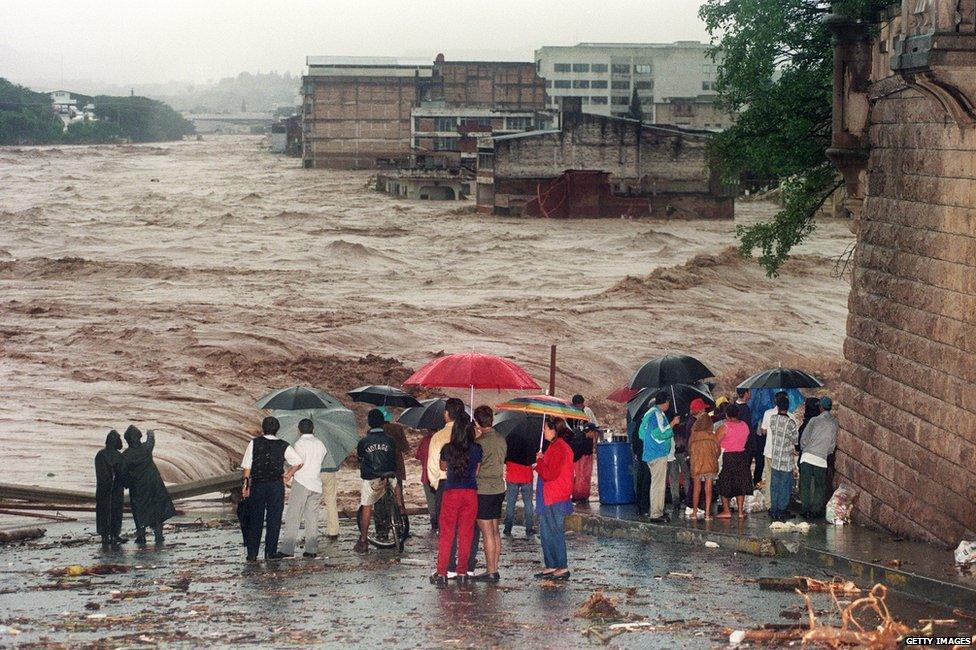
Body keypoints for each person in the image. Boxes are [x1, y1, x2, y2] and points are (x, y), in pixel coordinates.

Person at [431, 411, 482, 588]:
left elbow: (442, 467)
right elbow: (477, 471)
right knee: (466, 534)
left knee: (447, 534)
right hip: (470, 493)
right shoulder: (477, 449)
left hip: (451, 492)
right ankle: (462, 572)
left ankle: (442, 573)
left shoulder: (447, 449)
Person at [241, 417, 303, 561]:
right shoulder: (283, 445)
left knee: (255, 518)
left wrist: (245, 485)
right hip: (275, 485)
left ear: (263, 428)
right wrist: (288, 475)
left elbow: (247, 466)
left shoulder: (254, 443)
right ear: (277, 429)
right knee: (274, 519)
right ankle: (270, 552)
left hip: (257, 485)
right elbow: (298, 462)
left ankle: (252, 553)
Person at [121, 426, 177, 545]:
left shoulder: (125, 455)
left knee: (139, 511)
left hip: (137, 487)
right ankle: (158, 534)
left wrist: (126, 484)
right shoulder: (146, 448)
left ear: (128, 440)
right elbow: (151, 439)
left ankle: (141, 535)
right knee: (156, 508)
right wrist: (150, 432)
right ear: (139, 437)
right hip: (154, 483)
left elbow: (123, 473)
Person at [280, 419, 329, 558]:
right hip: (316, 484)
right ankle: (311, 549)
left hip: (302, 482)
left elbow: (298, 463)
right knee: (312, 518)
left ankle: (287, 549)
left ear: (299, 430)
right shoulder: (320, 444)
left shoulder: (299, 444)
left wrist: (289, 474)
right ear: (313, 430)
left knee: (293, 516)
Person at [534, 417, 574, 581]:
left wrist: (539, 462)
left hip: (555, 495)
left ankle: (561, 566)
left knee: (555, 531)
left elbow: (550, 473)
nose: (543, 431)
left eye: (546, 428)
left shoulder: (559, 448)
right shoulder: (555, 446)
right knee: (546, 531)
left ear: (554, 430)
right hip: (550, 494)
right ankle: (551, 564)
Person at [355, 409, 397, 555]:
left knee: (367, 507)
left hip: (371, 478)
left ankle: (363, 540)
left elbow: (360, 458)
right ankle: (400, 510)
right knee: (396, 488)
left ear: (369, 423)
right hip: (390, 476)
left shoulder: (363, 442)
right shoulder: (391, 440)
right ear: (382, 422)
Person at [471, 406, 505, 582]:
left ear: (477, 422)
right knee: (495, 530)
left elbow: (475, 470)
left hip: (483, 490)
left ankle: (490, 570)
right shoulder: (501, 439)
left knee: (487, 533)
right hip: (499, 488)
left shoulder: (479, 443)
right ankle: (495, 567)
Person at [639, 391, 679, 522]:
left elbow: (641, 434)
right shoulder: (657, 415)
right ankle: (656, 514)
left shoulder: (649, 413)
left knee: (656, 483)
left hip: (650, 453)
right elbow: (658, 433)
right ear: (666, 402)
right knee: (658, 484)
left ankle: (658, 511)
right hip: (658, 453)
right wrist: (672, 424)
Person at [798, 397, 838, 519]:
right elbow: (832, 445)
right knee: (820, 486)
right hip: (821, 459)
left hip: (807, 456)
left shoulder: (814, 420)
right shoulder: (835, 424)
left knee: (805, 484)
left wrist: (806, 449)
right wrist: (825, 452)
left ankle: (806, 510)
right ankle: (815, 511)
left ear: (820, 407)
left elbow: (803, 439)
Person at [715, 403, 752, 519]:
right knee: (740, 483)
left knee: (725, 483)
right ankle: (741, 511)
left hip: (728, 457)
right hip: (741, 455)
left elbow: (716, 442)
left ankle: (726, 511)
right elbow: (745, 439)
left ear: (727, 415)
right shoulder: (744, 425)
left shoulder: (724, 427)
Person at [767, 393, 800, 520]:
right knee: (785, 487)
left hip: (775, 459)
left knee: (774, 486)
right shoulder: (790, 423)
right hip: (786, 460)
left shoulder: (773, 419)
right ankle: (782, 510)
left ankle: (774, 509)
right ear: (788, 407)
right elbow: (795, 440)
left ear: (777, 406)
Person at [503, 419, 537, 537]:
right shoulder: (531, 438)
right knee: (528, 503)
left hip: (512, 474)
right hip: (526, 475)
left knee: (510, 503)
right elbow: (533, 460)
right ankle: (529, 528)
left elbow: (504, 457)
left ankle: (507, 528)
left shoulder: (509, 437)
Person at [687, 400, 720, 520]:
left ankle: (695, 512)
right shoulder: (711, 435)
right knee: (708, 487)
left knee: (696, 487)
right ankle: (707, 514)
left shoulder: (693, 434)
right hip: (710, 462)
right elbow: (717, 450)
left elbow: (689, 448)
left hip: (696, 463)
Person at [94, 429, 126, 546]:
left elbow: (100, 474)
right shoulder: (119, 456)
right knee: (116, 511)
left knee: (103, 512)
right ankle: (114, 535)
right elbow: (122, 474)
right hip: (116, 490)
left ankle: (104, 536)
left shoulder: (100, 454)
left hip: (103, 489)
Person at [759, 391, 790, 504]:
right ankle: (781, 504)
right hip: (783, 454)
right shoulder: (790, 416)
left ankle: (769, 503)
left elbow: (763, 431)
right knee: (783, 480)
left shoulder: (768, 413)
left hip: (769, 451)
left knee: (770, 478)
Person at [668, 405, 694, 515]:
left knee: (674, 478)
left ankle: (676, 502)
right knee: (686, 476)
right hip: (682, 451)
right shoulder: (685, 422)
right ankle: (688, 501)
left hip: (673, 452)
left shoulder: (668, 420)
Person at [735, 388, 761, 487]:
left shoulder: (735, 405)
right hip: (746, 445)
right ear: (745, 393)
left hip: (738, 444)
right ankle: (744, 489)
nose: (751, 393)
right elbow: (747, 428)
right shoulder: (744, 408)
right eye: (749, 392)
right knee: (745, 468)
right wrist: (752, 444)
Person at [414, 429, 438, 533]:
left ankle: (434, 523)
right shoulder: (442, 439)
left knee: (431, 501)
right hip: (440, 477)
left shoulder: (424, 440)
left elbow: (418, 456)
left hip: (427, 476)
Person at [569, 422, 597, 502]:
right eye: (594, 432)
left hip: (583, 458)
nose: (594, 434)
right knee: (581, 477)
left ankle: (582, 495)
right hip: (581, 459)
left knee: (584, 477)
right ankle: (579, 496)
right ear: (590, 431)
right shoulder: (581, 439)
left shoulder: (585, 438)